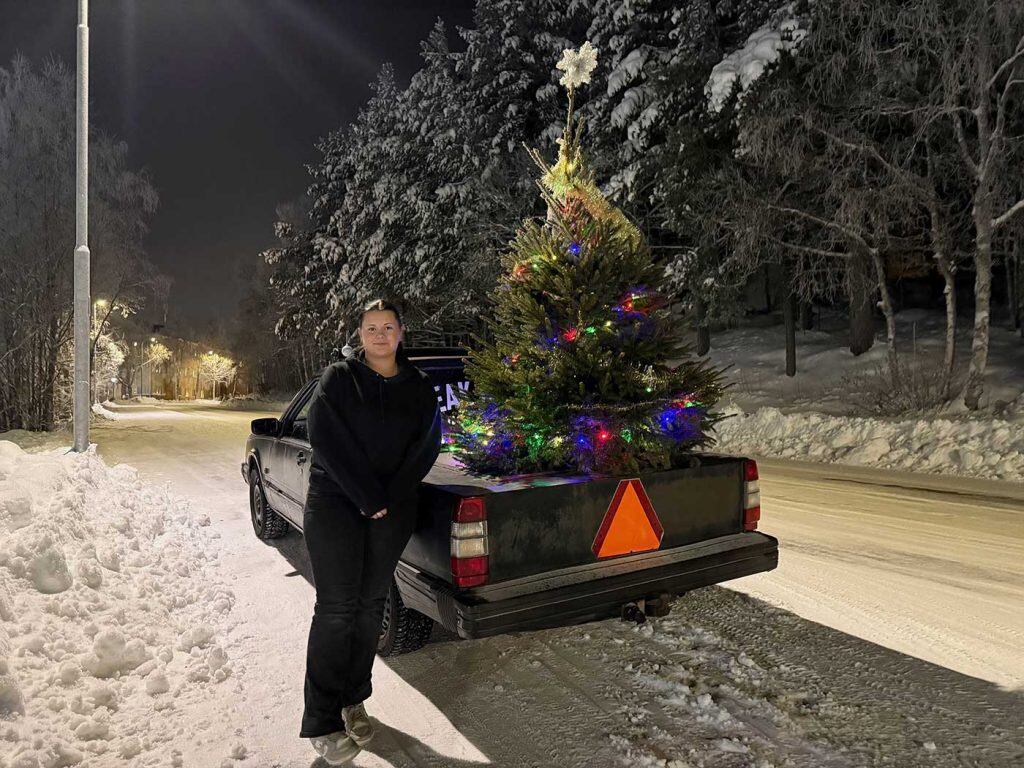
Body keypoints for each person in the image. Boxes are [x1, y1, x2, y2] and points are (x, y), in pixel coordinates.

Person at [299, 298, 442, 764]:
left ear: (401, 333)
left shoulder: (419, 387)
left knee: (369, 608)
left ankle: (351, 700)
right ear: (360, 335)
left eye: (388, 327)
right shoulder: (339, 378)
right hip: (336, 501)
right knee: (338, 608)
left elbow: (425, 447)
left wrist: (388, 497)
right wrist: (367, 495)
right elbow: (324, 434)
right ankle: (321, 720)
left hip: (392, 506)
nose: (379, 335)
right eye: (371, 328)